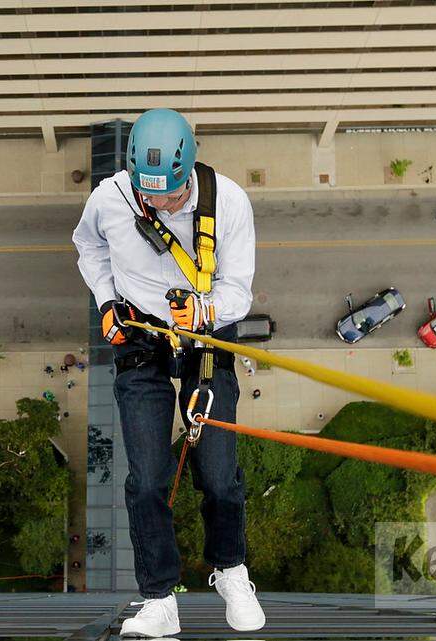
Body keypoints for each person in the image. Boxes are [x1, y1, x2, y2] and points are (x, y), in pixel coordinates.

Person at [73, 108, 264, 637]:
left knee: (219, 473)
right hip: (139, 336)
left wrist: (204, 310)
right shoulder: (111, 198)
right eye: (149, 196)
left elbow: (239, 291)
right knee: (147, 479)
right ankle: (160, 599)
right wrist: (107, 301)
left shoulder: (228, 203)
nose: (159, 205)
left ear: (189, 174)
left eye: (172, 198)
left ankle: (231, 570)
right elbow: (88, 245)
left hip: (203, 337)